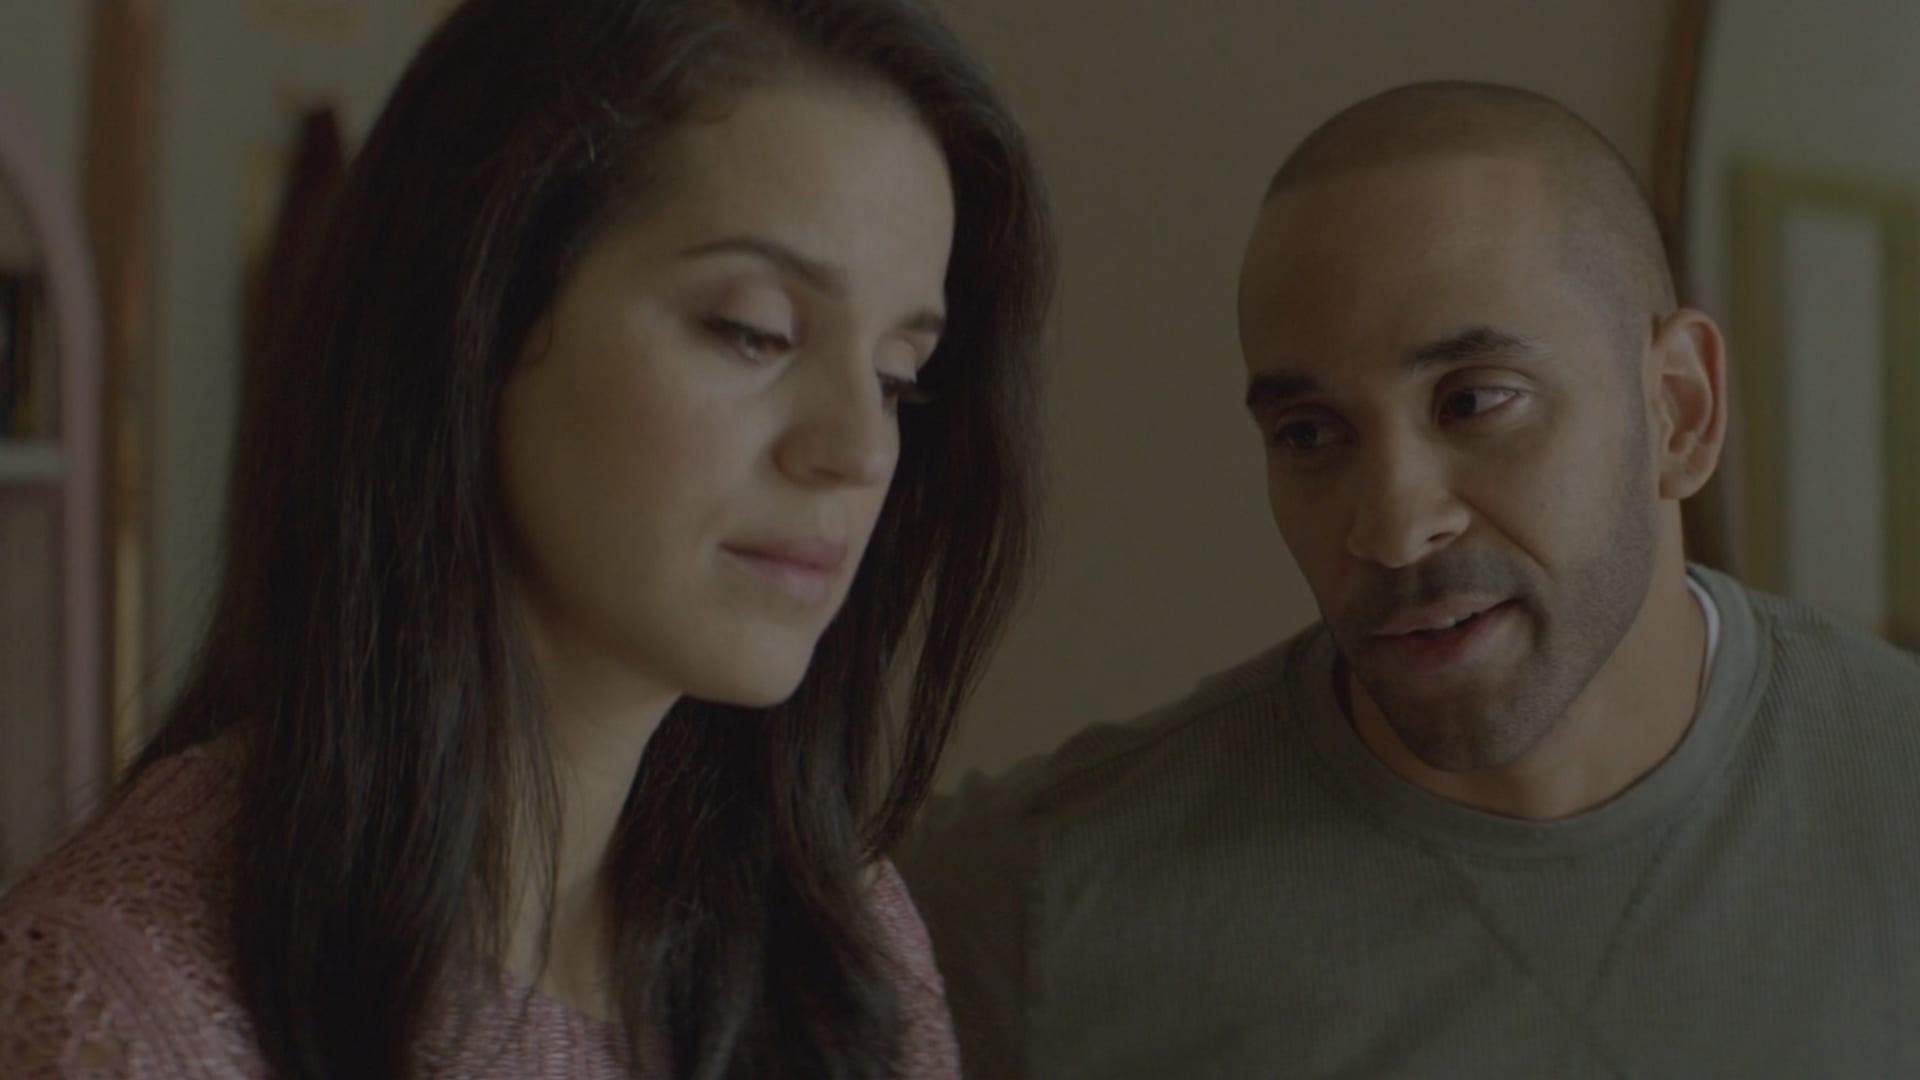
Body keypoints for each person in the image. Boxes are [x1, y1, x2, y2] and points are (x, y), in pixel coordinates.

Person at [0, 0, 1053, 1076]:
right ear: (475, 313)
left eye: (898, 378)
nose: (859, 449)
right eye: (755, 331)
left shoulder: (841, 948)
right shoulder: (119, 1012)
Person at [898, 81, 1920, 1078]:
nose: (1391, 529)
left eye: (1475, 402)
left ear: (1680, 409)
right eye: (1310, 434)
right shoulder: (1034, 900)